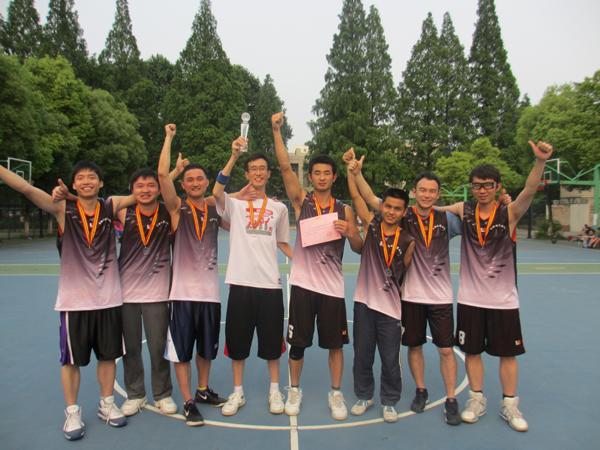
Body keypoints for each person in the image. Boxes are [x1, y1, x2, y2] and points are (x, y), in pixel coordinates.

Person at [0, 161, 129, 441]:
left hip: (108, 300)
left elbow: (147, 192)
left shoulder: (111, 205)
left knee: (108, 356)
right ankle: (72, 411)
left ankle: (107, 403)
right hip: (74, 302)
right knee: (71, 361)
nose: (87, 181)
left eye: (92, 177)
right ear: (73, 184)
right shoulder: (63, 209)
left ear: (101, 183)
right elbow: (25, 188)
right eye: (81, 178)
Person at [438, 140, 554, 432]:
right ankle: (476, 399)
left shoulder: (509, 213)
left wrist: (540, 161)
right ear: (472, 188)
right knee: (472, 352)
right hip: (470, 299)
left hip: (503, 300)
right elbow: (431, 209)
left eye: (488, 185)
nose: (482, 190)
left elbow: (529, 190)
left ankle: (510, 404)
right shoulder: (463, 209)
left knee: (508, 354)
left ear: (497, 186)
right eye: (477, 185)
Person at [343, 148, 463, 425]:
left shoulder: (440, 223)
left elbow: (474, 216)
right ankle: (406, 392)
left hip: (428, 299)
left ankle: (445, 399)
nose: (427, 195)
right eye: (422, 190)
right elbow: (366, 198)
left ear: (438, 194)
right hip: (399, 299)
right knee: (388, 351)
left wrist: (468, 205)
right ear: (414, 192)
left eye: (432, 191)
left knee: (431, 352)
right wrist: (355, 173)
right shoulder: (393, 220)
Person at [271, 112, 362, 420]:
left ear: (334, 177)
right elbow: (285, 167)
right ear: (310, 177)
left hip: (332, 290)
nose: (322, 177)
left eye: (327, 173)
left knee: (335, 346)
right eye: (317, 173)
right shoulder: (302, 202)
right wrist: (277, 131)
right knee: (297, 345)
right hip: (303, 287)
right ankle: (294, 390)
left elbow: (359, 247)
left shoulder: (345, 210)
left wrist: (351, 233)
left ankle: (335, 393)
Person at [212, 136, 292, 417]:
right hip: (240, 283)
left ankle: (274, 390)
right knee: (237, 344)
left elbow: (283, 243)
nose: (258, 173)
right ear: (247, 174)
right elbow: (216, 192)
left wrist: (304, 261)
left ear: (269, 174)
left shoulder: (279, 208)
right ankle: (238, 391)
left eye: (262, 169)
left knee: (272, 345)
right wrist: (234, 155)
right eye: (253, 169)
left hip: (269, 284)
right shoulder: (234, 205)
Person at [157, 124, 229, 426]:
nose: (196, 182)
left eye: (200, 178)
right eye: (190, 179)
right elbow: (162, 176)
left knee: (206, 349)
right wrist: (169, 138)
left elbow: (232, 198)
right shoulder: (177, 209)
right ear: (183, 185)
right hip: (183, 296)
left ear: (206, 182)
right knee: (182, 352)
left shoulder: (214, 210)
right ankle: (188, 401)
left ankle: (202, 390)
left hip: (210, 295)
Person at [345, 154, 415, 423]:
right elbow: (358, 197)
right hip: (364, 303)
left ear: (404, 212)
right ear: (382, 206)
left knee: (389, 358)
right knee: (362, 355)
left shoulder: (408, 240)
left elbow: (406, 273)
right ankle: (364, 395)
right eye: (388, 206)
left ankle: (389, 400)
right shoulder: (371, 226)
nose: (391, 211)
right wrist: (352, 172)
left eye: (397, 208)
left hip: (390, 309)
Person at [116, 167, 177, 418]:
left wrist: (171, 175)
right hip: (125, 294)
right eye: (139, 186)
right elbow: (96, 202)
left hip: (158, 294)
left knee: (158, 348)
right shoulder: (123, 212)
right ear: (131, 190)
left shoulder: (168, 211)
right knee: (130, 349)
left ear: (159, 188)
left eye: (151, 185)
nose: (145, 190)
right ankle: (135, 394)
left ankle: (162, 394)